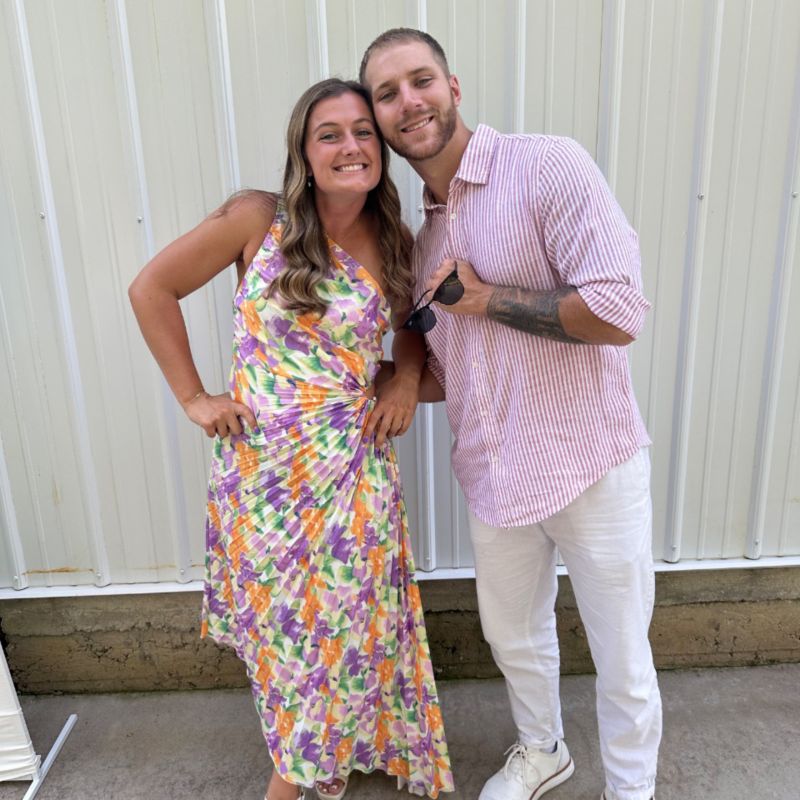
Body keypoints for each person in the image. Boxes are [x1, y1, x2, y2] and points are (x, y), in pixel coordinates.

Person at [128, 78, 454, 800]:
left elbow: (412, 330)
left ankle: (291, 778)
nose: (350, 146)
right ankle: (321, 750)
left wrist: (403, 380)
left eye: (363, 132)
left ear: (382, 148)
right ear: (304, 153)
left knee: (342, 623)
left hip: (353, 466)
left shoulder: (395, 242)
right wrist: (195, 398)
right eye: (329, 134)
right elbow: (151, 289)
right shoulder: (257, 219)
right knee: (286, 631)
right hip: (263, 475)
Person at [360, 29, 661, 800]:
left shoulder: (546, 166)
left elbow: (618, 309)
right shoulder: (422, 243)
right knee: (513, 638)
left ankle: (631, 790)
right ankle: (542, 751)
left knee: (622, 654)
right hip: (495, 476)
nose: (408, 102)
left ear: (453, 87)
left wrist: (485, 298)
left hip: (590, 461)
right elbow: (457, 371)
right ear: (379, 119)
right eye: (387, 94)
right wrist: (368, 385)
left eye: (420, 80)